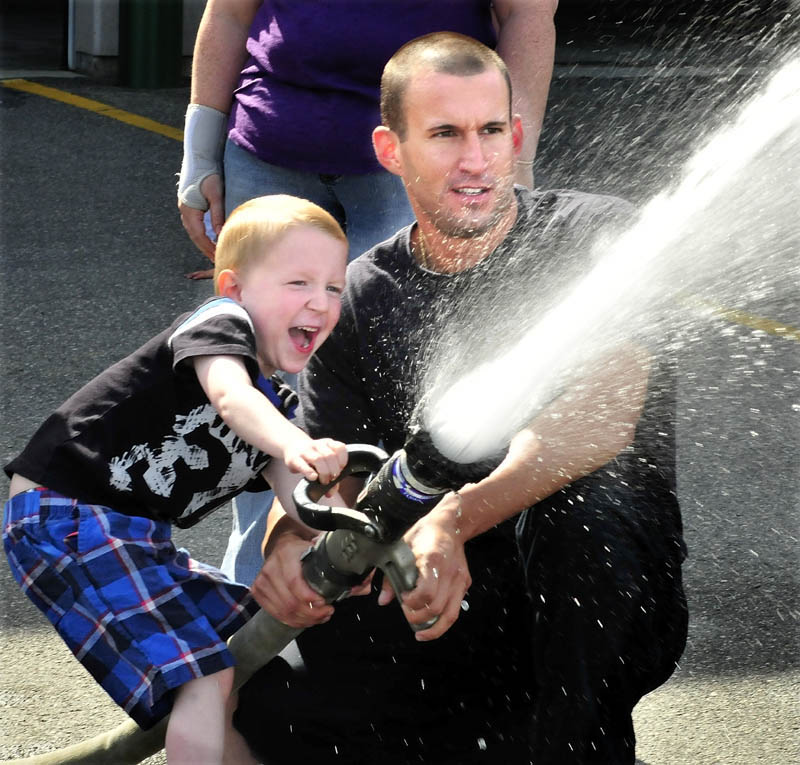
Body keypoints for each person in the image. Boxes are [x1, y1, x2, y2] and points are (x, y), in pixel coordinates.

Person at [235, 33, 689, 764]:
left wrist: (455, 517)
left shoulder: (595, 237)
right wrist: (288, 547)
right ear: (391, 149)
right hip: (436, 589)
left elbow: (603, 413)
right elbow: (328, 480)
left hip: (594, 591)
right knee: (275, 696)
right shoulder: (358, 297)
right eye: (445, 134)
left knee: (585, 517)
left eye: (490, 132)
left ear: (516, 136)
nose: (475, 160)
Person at [178, 0, 559, 585]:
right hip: (268, 148)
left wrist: (513, 163)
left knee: (397, 376)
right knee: (266, 385)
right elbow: (228, 12)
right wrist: (199, 149)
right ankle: (263, 580)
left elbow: (528, 17)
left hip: (416, 157)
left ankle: (402, 578)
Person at [2, 195, 349, 764]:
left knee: (241, 656)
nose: (320, 301)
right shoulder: (219, 324)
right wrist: (295, 443)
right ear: (234, 287)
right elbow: (230, 399)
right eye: (298, 282)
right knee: (204, 675)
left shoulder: (278, 413)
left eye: (334, 288)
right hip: (66, 514)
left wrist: (350, 537)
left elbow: (309, 508)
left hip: (137, 542)